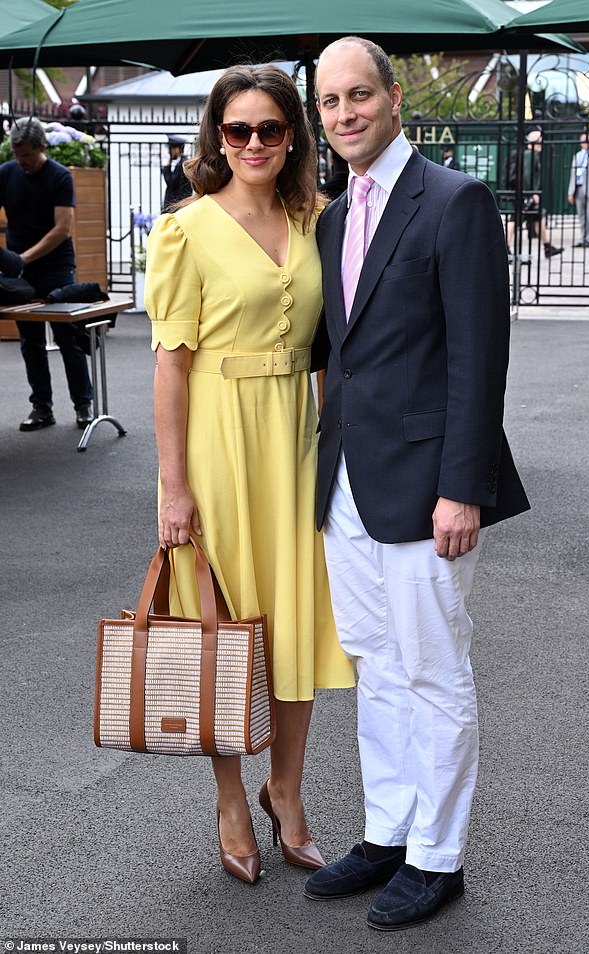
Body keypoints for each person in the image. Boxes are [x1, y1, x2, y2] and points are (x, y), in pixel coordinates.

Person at [304, 37, 530, 931]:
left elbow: (480, 356)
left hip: (430, 486)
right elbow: (345, 352)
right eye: (329, 101)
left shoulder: (454, 200)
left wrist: (463, 487)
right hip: (348, 486)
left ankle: (438, 859)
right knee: (376, 667)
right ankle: (388, 832)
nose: (346, 113)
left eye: (361, 94)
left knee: (434, 671)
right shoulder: (331, 217)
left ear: (395, 99)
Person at [144, 64, 354, 886]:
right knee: (220, 634)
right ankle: (232, 798)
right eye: (238, 130)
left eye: (271, 128)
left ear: (296, 134)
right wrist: (174, 485)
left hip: (293, 444)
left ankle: (287, 792)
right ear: (217, 137)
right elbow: (170, 367)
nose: (256, 143)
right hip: (214, 449)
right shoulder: (186, 231)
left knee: (294, 624)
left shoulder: (317, 221)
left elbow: (336, 347)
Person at [0, 117, 93, 431]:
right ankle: (42, 408)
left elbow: (62, 229)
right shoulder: (6, 173)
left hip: (55, 268)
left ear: (41, 147)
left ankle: (84, 407)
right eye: (16, 155)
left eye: (26, 156)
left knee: (68, 336)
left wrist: (20, 259)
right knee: (31, 342)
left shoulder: (60, 176)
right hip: (19, 270)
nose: (20, 162)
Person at [506, 129, 562, 259]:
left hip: (525, 194)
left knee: (538, 218)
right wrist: (532, 193)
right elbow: (527, 176)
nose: (541, 144)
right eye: (540, 141)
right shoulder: (531, 155)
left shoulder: (529, 154)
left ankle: (547, 247)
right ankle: (505, 247)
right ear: (535, 142)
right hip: (526, 195)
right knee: (515, 219)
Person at [161, 133, 192, 210]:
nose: (169, 152)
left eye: (170, 149)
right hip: (177, 205)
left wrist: (167, 166)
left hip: (177, 206)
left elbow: (170, 182)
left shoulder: (182, 164)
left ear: (177, 149)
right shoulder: (182, 162)